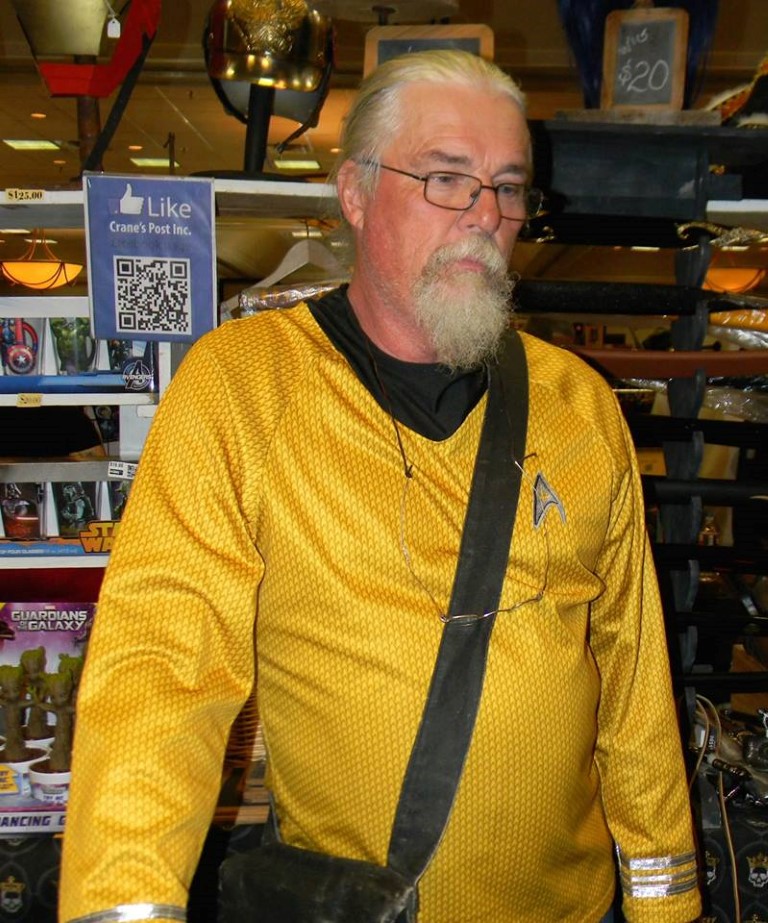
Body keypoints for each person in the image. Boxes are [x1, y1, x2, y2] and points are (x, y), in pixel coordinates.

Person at [58, 50, 701, 923]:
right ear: (355, 193)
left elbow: (633, 685)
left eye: (509, 187)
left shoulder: (577, 403)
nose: (486, 215)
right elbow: (159, 673)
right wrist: (125, 907)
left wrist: (669, 904)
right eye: (447, 178)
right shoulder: (245, 387)